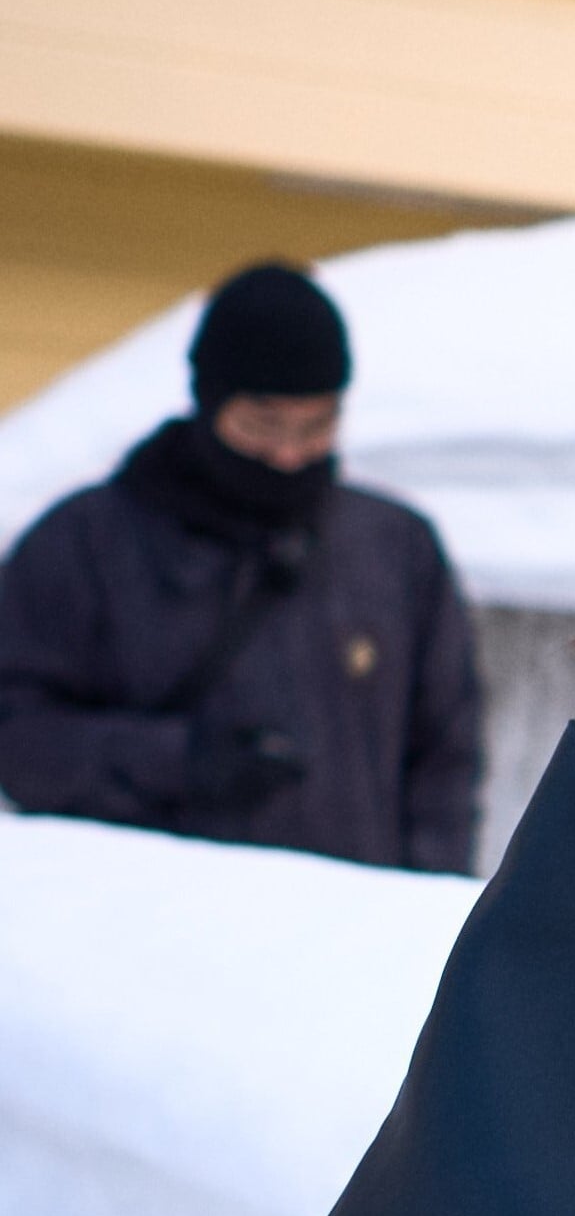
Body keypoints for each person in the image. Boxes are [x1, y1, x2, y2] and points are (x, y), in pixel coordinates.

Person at [0, 262, 482, 872]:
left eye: (316, 427)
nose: (288, 454)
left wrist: (429, 903)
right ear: (209, 403)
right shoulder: (85, 543)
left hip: (350, 915)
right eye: (262, 426)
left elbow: (445, 757)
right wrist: (177, 761)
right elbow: (18, 738)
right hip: (146, 911)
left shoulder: (396, 546)